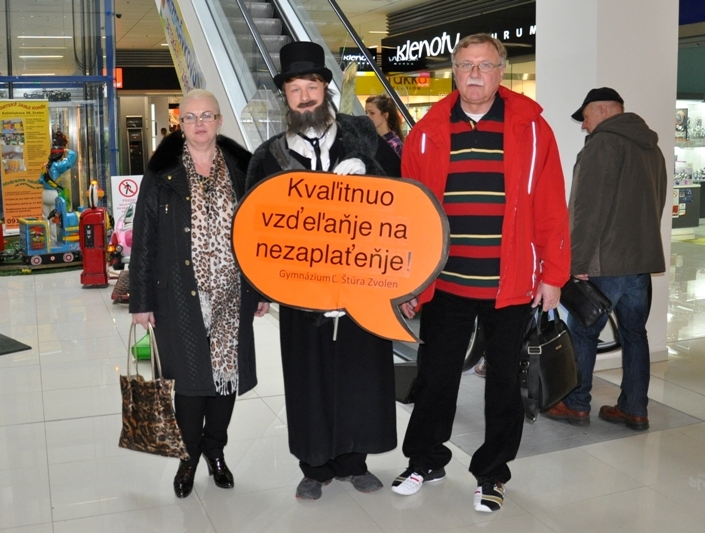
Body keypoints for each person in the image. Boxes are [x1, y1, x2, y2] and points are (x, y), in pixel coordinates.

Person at [391, 34, 570, 513]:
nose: (475, 74)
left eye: (485, 65)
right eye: (466, 65)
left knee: (503, 385)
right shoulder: (427, 130)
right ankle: (425, 460)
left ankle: (492, 473)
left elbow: (552, 206)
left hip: (511, 284)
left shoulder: (533, 129)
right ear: (454, 71)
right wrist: (408, 280)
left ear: (500, 71)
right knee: (435, 377)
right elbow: (409, 216)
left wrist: (553, 274)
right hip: (445, 282)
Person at [246, 41, 401, 501]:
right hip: (300, 293)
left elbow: (402, 195)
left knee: (359, 373)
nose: (304, 97)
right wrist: (259, 289)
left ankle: (354, 460)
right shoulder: (268, 156)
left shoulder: (360, 137)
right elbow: (252, 227)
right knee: (307, 378)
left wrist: (369, 173)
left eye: (311, 86)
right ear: (286, 97)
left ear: (325, 89)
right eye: (294, 89)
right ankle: (313, 466)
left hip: (360, 285)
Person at [129, 89, 269, 499]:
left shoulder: (243, 169)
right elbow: (144, 239)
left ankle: (215, 449)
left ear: (219, 121)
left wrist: (261, 289)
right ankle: (188, 457)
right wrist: (141, 301)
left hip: (232, 293)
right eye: (190, 117)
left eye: (207, 115)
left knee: (225, 377)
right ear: (181, 125)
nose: (199, 123)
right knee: (191, 382)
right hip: (179, 293)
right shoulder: (162, 172)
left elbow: (259, 235)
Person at [544, 87, 667, 432]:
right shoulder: (652, 147)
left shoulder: (602, 145)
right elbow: (657, 201)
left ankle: (576, 403)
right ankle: (634, 409)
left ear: (601, 110)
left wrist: (577, 262)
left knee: (583, 333)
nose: (584, 126)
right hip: (639, 261)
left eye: (585, 118)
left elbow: (586, 210)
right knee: (634, 334)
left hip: (605, 262)